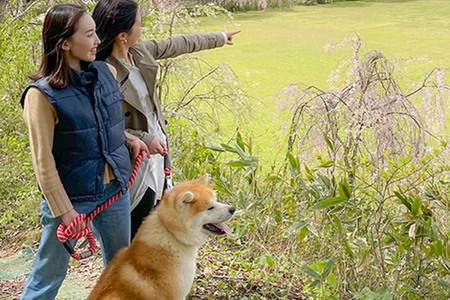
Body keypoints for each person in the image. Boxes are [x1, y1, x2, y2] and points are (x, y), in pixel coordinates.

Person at [20, 4, 148, 299]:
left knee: (119, 271)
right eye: (89, 35)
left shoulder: (106, 72)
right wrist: (65, 212)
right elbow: (43, 163)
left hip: (115, 190)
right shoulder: (41, 97)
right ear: (65, 43)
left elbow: (104, 125)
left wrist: (130, 141)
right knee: (48, 276)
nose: (97, 41)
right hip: (71, 200)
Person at [92, 0, 240, 238]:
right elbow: (101, 125)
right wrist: (143, 138)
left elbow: (178, 43)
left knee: (154, 225)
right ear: (122, 35)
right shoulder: (101, 72)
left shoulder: (139, 52)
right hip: (132, 160)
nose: (142, 29)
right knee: (131, 229)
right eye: (139, 24)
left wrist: (220, 37)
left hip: (157, 153)